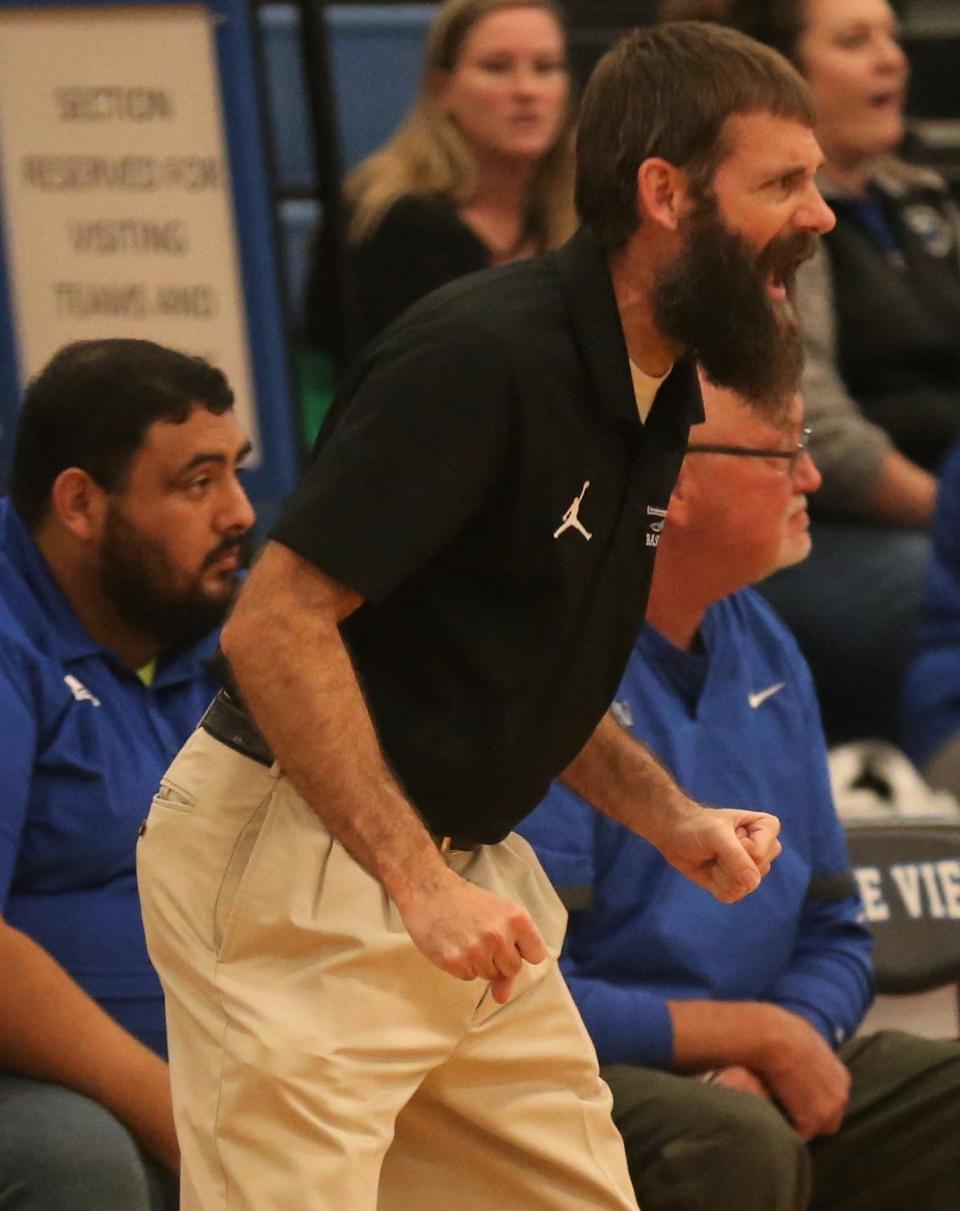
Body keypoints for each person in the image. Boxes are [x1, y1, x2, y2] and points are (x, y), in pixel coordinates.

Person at [138, 21, 833, 1211]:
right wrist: (418, 882)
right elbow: (275, 624)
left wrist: (672, 818)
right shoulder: (480, 356)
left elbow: (521, 671)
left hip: (468, 881)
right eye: (782, 182)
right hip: (299, 859)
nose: (819, 214)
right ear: (665, 194)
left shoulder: (653, 386)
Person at [519, 374, 960, 1211]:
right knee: (730, 1140)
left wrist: (781, 1048)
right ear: (673, 486)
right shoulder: (552, 663)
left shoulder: (767, 640)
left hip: (757, 1069)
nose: (813, 476)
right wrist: (751, 1038)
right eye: (782, 451)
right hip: (586, 1078)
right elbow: (529, 996)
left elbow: (835, 926)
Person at [0, 339, 254, 1211]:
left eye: (238, 473)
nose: (239, 512)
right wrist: (183, 1123)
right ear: (80, 503)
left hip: (217, 1073)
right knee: (80, 1160)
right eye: (198, 483)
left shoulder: (201, 631)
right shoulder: (11, 639)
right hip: (54, 1091)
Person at [698, 0, 960, 743]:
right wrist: (947, 515)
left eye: (890, 38)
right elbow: (814, 418)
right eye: (855, 41)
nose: (892, 59)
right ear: (787, 76)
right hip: (831, 526)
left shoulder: (921, 194)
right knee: (931, 589)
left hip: (941, 513)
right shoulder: (788, 218)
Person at [303, 0, 577, 361]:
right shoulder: (386, 223)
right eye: (497, 67)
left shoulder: (586, 217)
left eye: (546, 67)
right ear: (441, 88)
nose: (526, 90)